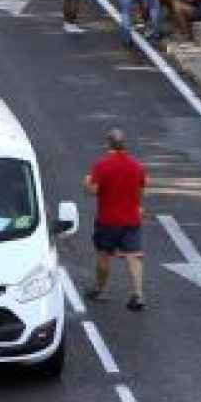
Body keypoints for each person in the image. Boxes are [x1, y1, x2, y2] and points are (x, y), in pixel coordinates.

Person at [85, 128, 148, 311]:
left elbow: (92, 191)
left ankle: (101, 290)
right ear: (125, 144)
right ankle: (138, 294)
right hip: (131, 220)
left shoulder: (102, 165)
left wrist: (86, 182)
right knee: (134, 257)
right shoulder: (137, 166)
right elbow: (141, 191)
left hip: (107, 220)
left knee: (104, 256)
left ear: (108, 144)